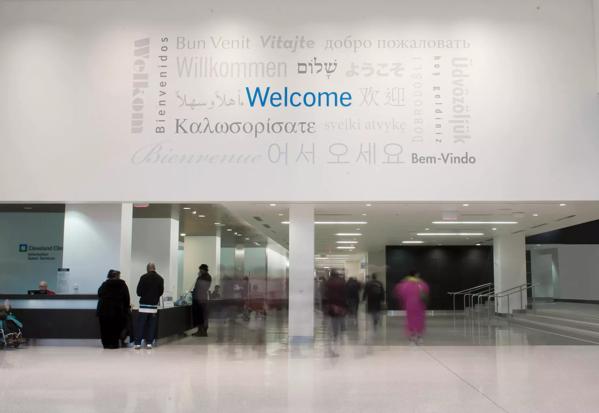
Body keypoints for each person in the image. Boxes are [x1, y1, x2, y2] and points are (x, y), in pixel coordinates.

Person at [97, 269, 130, 349]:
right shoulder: (122, 284)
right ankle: (114, 344)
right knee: (115, 328)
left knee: (104, 328)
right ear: (117, 276)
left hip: (104, 311)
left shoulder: (104, 284)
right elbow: (127, 298)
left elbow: (99, 293)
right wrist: (126, 308)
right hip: (117, 310)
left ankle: (106, 344)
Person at [394, 271, 429, 344]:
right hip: (420, 305)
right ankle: (419, 337)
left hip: (409, 305)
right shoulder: (422, 284)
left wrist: (402, 304)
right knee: (420, 320)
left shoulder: (404, 284)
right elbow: (426, 293)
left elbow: (399, 294)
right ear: (417, 275)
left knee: (410, 320)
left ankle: (412, 336)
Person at [134, 263, 164, 349]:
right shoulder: (160, 278)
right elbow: (161, 292)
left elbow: (138, 292)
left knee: (141, 325)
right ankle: (149, 343)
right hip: (154, 306)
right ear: (155, 268)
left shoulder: (143, 277)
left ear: (147, 269)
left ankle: (138, 343)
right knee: (151, 325)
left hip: (144, 305)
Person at [324, 269, 347, 357]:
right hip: (339, 308)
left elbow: (325, 295)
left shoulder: (328, 283)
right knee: (336, 330)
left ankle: (329, 350)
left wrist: (326, 307)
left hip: (330, 308)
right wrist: (344, 307)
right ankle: (332, 350)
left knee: (330, 330)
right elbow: (344, 295)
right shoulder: (341, 282)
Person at [192, 264, 212, 337]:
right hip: (200, 298)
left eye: (200, 269)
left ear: (203, 270)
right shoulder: (204, 277)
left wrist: (199, 277)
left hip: (201, 299)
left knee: (202, 316)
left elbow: (202, 287)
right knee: (200, 315)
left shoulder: (206, 277)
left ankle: (203, 331)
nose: (199, 271)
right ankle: (200, 331)